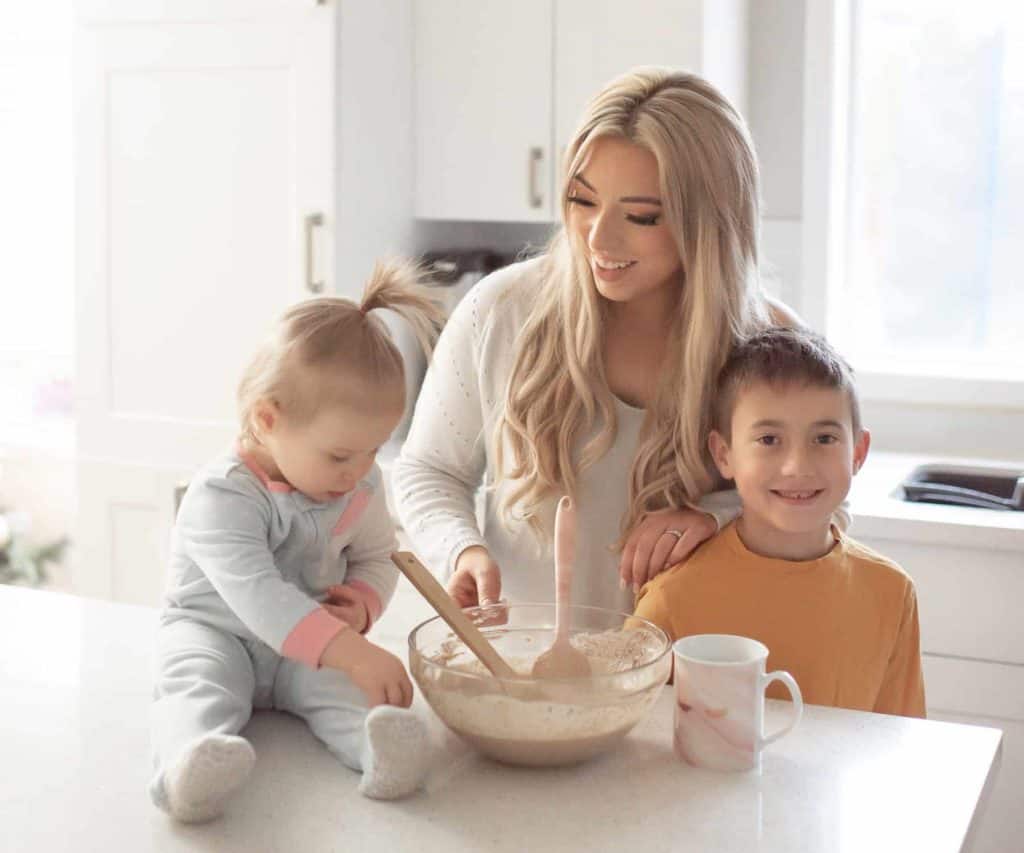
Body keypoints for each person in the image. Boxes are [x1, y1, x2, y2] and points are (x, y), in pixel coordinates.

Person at [394, 66, 827, 613]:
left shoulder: (774, 346)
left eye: (642, 217)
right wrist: (462, 551)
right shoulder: (498, 311)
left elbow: (826, 508)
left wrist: (714, 514)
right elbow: (427, 470)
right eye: (583, 200)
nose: (600, 238)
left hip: (689, 683)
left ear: (710, 222)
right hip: (522, 674)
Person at [149, 261, 444, 823]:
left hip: (309, 643)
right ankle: (188, 766)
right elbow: (260, 596)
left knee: (343, 692)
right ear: (267, 420)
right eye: (340, 455)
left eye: (373, 450)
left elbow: (379, 554)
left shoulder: (359, 480)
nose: (358, 471)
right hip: (216, 634)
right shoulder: (221, 496)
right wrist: (352, 649)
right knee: (197, 686)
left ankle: (379, 751)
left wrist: (363, 602)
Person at [634, 327, 926, 717]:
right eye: (769, 440)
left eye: (823, 439)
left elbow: (900, 742)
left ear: (858, 452)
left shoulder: (891, 593)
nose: (797, 467)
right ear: (724, 455)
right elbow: (627, 745)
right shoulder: (673, 597)